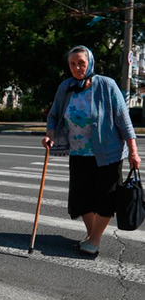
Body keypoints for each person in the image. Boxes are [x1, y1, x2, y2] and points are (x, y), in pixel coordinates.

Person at [43, 45, 141, 255]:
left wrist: (133, 151)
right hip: (79, 153)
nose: (77, 67)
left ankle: (94, 239)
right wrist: (49, 135)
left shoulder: (107, 85)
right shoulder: (66, 87)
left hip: (108, 154)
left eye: (81, 63)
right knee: (82, 197)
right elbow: (53, 116)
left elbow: (124, 121)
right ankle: (91, 234)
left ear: (90, 64)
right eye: (73, 64)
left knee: (106, 197)